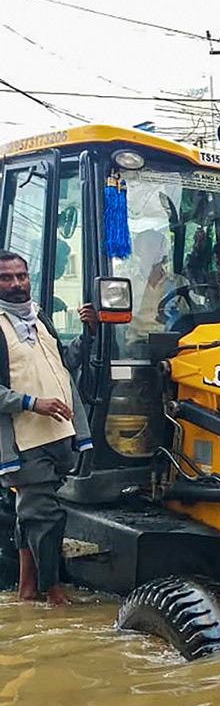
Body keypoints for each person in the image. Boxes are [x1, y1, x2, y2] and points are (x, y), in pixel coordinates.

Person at [0, 251, 96, 604]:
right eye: (6, 278)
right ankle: (54, 593)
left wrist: (88, 334)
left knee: (32, 516)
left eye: (21, 276)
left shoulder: (38, 318)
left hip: (58, 434)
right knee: (48, 517)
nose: (15, 284)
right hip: (24, 442)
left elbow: (64, 364)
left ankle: (27, 592)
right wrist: (32, 403)